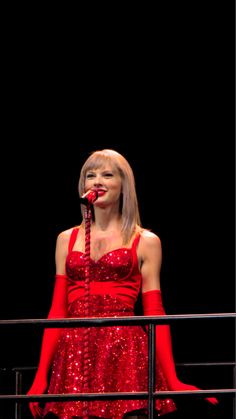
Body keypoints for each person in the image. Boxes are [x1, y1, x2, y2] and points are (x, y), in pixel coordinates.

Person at [27, 149, 218, 419]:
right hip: (74, 351)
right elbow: (58, 310)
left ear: (123, 185)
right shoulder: (65, 239)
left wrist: (172, 379)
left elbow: (155, 312)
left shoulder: (146, 240)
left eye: (107, 174)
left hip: (123, 352)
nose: (97, 181)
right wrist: (40, 376)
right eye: (90, 175)